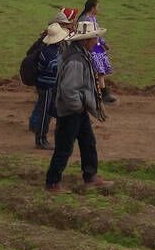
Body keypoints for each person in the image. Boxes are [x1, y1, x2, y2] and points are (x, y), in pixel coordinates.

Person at [45, 21, 113, 193]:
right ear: (85, 40)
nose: (96, 41)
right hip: (71, 111)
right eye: (94, 38)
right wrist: (79, 106)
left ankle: (90, 176)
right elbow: (69, 90)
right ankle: (52, 182)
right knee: (64, 147)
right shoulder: (76, 61)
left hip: (76, 109)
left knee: (88, 142)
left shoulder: (78, 54)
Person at [32, 23, 69, 150]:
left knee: (48, 112)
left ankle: (42, 138)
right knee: (46, 114)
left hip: (44, 84)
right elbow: (55, 68)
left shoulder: (46, 50)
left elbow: (42, 67)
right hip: (49, 86)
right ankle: (41, 139)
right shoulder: (54, 52)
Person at [79, 0, 116, 104]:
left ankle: (102, 93)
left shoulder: (92, 18)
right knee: (98, 71)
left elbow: (97, 34)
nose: (98, 9)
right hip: (90, 47)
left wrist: (103, 43)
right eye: (97, 7)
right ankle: (102, 93)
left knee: (100, 71)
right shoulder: (85, 19)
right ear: (92, 8)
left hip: (96, 46)